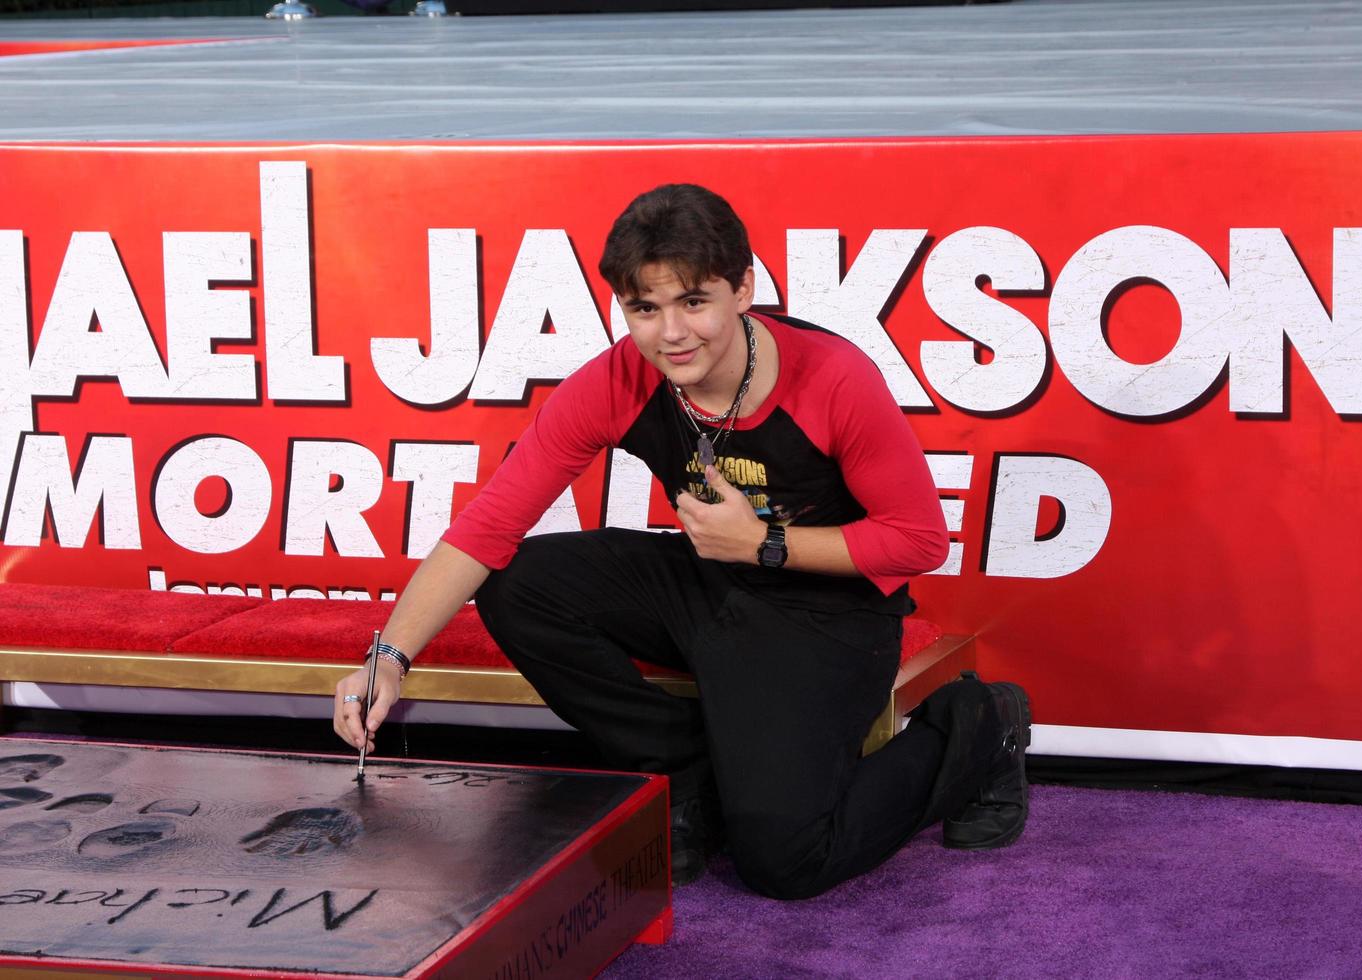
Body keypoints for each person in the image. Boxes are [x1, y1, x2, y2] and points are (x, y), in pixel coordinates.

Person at [333, 183, 1030, 900]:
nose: (671, 333)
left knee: (786, 861)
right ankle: (684, 769)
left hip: (828, 610)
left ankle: (975, 727)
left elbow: (919, 542)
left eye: (693, 302)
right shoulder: (619, 380)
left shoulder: (834, 379)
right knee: (519, 582)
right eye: (645, 309)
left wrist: (766, 544)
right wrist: (390, 658)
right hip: (710, 577)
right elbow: (487, 527)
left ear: (742, 290)